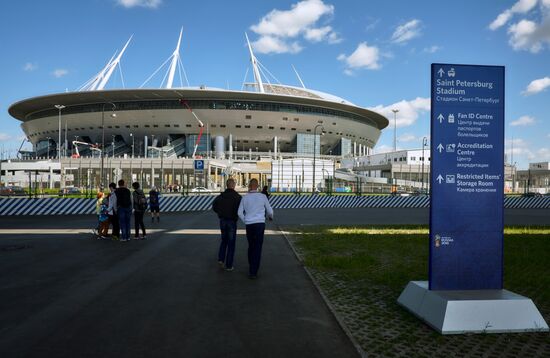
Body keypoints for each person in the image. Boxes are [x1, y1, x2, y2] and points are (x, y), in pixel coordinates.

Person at [238, 178, 273, 279]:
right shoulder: (262, 197)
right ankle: (253, 271)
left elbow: (239, 213)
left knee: (251, 245)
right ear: (257, 186)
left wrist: (246, 221)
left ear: (249, 186)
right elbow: (269, 210)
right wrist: (271, 216)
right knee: (258, 247)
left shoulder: (245, 198)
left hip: (249, 225)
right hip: (260, 224)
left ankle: (251, 264)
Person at [212, 178, 242, 271]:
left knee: (224, 240)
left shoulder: (220, 196)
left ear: (226, 185)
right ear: (233, 185)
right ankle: (229, 265)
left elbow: (214, 206)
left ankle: (221, 259)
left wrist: (220, 213)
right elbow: (241, 210)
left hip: (222, 221)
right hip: (232, 222)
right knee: (231, 244)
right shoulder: (238, 197)